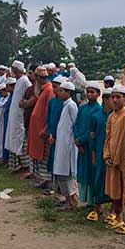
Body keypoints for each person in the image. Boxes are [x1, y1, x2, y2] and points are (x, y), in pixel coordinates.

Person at [103, 84, 125, 235]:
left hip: (124, 161)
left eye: (118, 97)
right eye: (113, 97)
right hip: (112, 160)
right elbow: (108, 138)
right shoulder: (111, 116)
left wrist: (123, 158)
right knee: (115, 189)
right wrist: (107, 155)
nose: (115, 100)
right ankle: (118, 217)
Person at [86, 88, 112, 221]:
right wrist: (94, 154)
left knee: (113, 181)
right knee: (98, 179)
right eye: (108, 98)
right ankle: (98, 207)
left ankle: (114, 210)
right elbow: (92, 137)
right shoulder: (96, 117)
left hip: (113, 154)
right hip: (100, 152)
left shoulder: (119, 116)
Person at [53, 81, 79, 210]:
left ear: (69, 92)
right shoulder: (65, 105)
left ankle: (71, 200)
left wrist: (72, 141)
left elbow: (75, 123)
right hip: (62, 142)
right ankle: (68, 199)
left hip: (67, 144)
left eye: (62, 90)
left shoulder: (71, 105)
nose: (59, 92)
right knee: (61, 171)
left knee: (65, 172)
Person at [74, 81, 102, 205]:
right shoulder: (82, 108)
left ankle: (91, 200)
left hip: (90, 146)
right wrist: (76, 138)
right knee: (82, 171)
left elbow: (91, 130)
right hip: (80, 144)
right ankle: (83, 198)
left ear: (98, 94)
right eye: (88, 92)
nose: (89, 94)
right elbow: (77, 124)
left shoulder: (98, 110)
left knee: (90, 171)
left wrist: (81, 140)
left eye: (92, 92)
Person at [27, 66, 55, 187]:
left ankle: (48, 181)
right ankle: (43, 179)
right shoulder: (43, 90)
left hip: (42, 129)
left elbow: (51, 111)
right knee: (39, 155)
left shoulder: (49, 90)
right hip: (36, 128)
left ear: (38, 78)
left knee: (44, 155)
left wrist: (45, 129)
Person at [5, 61, 32, 174]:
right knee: (13, 139)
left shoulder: (25, 81)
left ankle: (25, 166)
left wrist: (25, 103)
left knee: (20, 140)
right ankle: (17, 165)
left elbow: (30, 94)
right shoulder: (18, 81)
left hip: (20, 116)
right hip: (14, 115)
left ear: (15, 70)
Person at [46, 76, 67, 185]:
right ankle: (54, 184)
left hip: (62, 137)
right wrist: (50, 133)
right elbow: (49, 118)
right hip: (52, 136)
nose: (54, 90)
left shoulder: (66, 103)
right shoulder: (52, 101)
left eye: (56, 87)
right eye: (53, 87)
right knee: (52, 160)